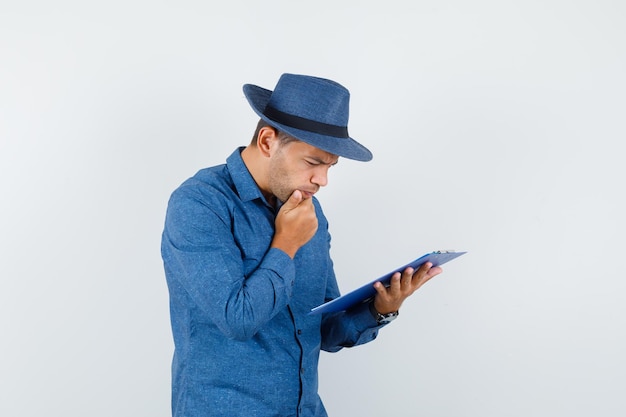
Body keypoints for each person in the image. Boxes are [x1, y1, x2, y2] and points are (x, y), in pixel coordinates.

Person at [161, 73, 443, 417]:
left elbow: (324, 328)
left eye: (330, 166)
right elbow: (237, 320)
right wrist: (286, 245)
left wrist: (380, 308)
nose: (322, 180)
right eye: (313, 162)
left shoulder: (310, 212)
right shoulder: (199, 204)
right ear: (267, 141)